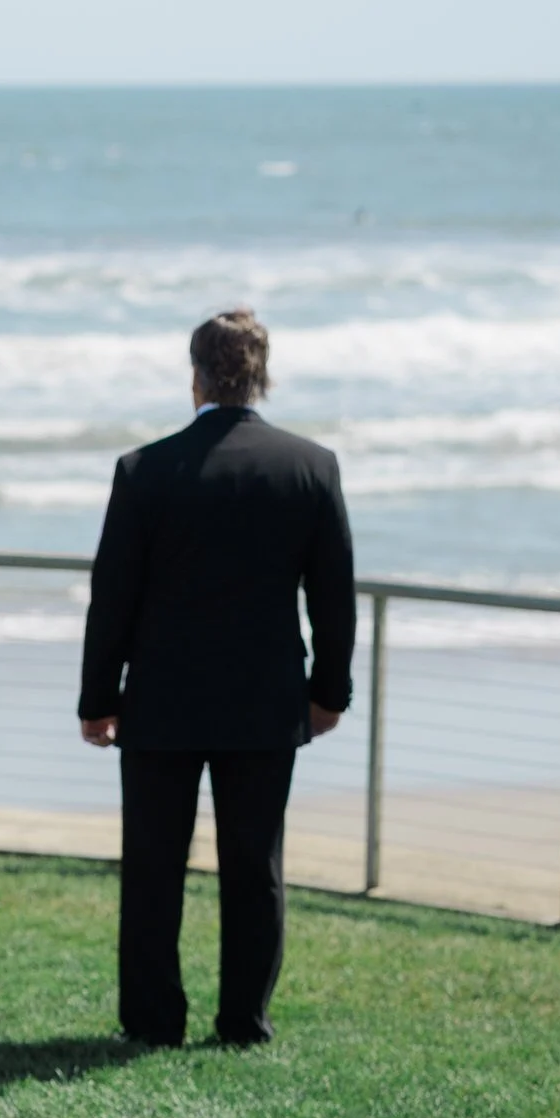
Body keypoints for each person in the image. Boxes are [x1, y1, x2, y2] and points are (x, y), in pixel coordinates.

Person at [79, 309, 355, 1047]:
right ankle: (243, 1021)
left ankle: (151, 1021)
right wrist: (330, 692)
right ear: (259, 375)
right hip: (264, 701)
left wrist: (96, 700)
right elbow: (332, 598)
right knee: (254, 868)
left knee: (152, 869)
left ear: (194, 375)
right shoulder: (309, 466)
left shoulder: (142, 470)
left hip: (162, 701)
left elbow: (113, 599)